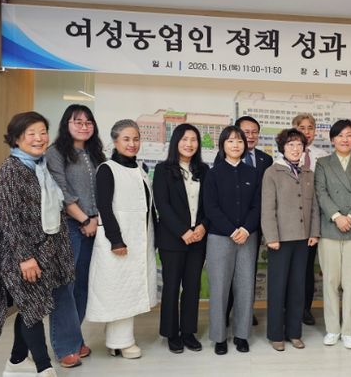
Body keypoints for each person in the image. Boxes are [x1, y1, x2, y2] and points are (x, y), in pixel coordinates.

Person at [0, 111, 73, 377]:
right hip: (21, 254)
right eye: (31, 133)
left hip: (45, 250)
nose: (39, 138)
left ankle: (16, 361)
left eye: (43, 132)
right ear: (16, 139)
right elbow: (8, 219)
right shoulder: (10, 170)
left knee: (31, 306)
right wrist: (25, 258)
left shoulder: (41, 166)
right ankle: (43, 367)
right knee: (33, 306)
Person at [86, 119, 158, 359]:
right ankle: (123, 342)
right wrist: (116, 240)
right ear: (115, 141)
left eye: (136, 139)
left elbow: (149, 208)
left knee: (130, 288)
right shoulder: (107, 169)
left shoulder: (140, 169)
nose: (132, 143)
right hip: (118, 241)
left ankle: (115, 340)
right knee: (120, 291)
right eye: (126, 139)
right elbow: (104, 207)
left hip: (139, 239)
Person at [46, 104, 106, 365]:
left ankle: (75, 338)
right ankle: (65, 347)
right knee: (64, 288)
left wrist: (95, 220)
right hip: (69, 227)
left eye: (88, 122)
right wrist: (84, 219)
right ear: (66, 124)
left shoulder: (96, 154)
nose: (84, 126)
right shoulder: (56, 152)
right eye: (77, 121)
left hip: (94, 227)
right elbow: (60, 190)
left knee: (83, 286)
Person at [315, 119, 351, 349]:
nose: (345, 139)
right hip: (330, 228)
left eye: (349, 135)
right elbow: (321, 192)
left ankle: (348, 330)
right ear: (332, 139)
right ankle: (332, 329)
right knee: (330, 281)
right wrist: (336, 216)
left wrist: (350, 217)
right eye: (340, 135)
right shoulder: (323, 163)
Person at [203, 125, 261, 355]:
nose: (235, 145)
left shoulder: (253, 173)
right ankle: (219, 337)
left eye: (239, 141)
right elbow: (210, 207)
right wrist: (231, 230)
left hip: (248, 237)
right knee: (219, 288)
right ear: (222, 145)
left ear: (245, 145)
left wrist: (246, 229)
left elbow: (258, 205)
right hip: (220, 237)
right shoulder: (213, 173)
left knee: (245, 287)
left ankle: (241, 335)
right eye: (230, 141)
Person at [261, 128, 320, 351]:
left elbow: (314, 207)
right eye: (291, 145)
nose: (296, 149)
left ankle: (294, 332)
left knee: (298, 287)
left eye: (299, 145)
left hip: (303, 239)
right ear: (283, 148)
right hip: (280, 240)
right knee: (278, 288)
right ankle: (276, 334)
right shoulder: (272, 172)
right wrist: (271, 237)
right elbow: (268, 208)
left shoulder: (308, 173)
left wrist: (314, 232)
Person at [153, 124, 209, 354]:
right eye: (184, 139)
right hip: (173, 239)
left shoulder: (204, 170)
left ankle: (188, 332)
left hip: (198, 238)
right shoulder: (163, 169)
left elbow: (209, 203)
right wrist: (183, 231)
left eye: (194, 140)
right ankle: (171, 334)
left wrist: (203, 226)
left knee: (193, 286)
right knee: (172, 287)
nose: (189, 144)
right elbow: (162, 205)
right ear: (176, 142)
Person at [224, 115, 272, 327]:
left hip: (254, 225)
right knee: (228, 271)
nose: (250, 136)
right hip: (228, 227)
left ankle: (245, 312)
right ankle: (225, 311)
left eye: (254, 132)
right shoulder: (224, 158)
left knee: (248, 271)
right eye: (245, 132)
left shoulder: (265, 160)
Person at [292, 113, 329, 326]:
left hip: (313, 219)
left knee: (307, 267)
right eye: (302, 128)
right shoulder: (285, 154)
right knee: (291, 268)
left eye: (310, 128)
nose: (306, 132)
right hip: (290, 221)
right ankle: (289, 308)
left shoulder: (322, 156)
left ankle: (305, 308)